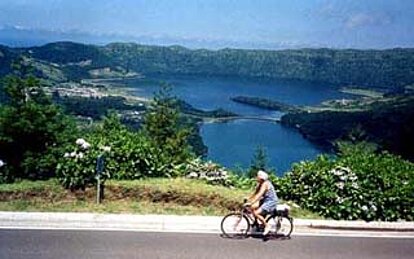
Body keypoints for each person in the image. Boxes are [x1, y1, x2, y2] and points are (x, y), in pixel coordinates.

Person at [246, 170, 278, 235]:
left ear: (261, 178)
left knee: (256, 213)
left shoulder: (265, 184)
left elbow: (259, 195)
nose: (256, 177)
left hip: (271, 201)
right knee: (252, 207)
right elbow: (255, 193)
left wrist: (251, 202)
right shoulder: (260, 184)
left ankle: (267, 226)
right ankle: (256, 223)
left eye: (257, 176)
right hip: (265, 200)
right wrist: (249, 198)